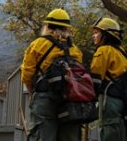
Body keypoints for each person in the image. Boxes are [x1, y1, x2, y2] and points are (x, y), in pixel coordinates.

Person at [20, 9, 83, 141]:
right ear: (67, 29)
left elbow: (27, 74)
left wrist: (33, 92)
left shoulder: (37, 45)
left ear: (47, 26)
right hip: (70, 101)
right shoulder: (75, 50)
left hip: (44, 98)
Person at [89, 17, 127, 141]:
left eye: (96, 32)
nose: (94, 36)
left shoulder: (103, 51)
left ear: (106, 35)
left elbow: (95, 80)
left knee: (110, 133)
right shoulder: (122, 52)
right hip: (125, 101)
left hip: (110, 101)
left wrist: (88, 102)